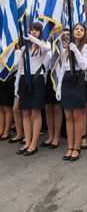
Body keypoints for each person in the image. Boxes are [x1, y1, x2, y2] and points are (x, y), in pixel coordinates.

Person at [56, 23, 87, 161]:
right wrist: (59, 87)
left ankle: (76, 147)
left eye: (82, 30)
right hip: (66, 80)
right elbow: (62, 69)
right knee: (68, 117)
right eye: (76, 29)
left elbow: (83, 65)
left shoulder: (86, 47)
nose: (78, 31)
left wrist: (75, 50)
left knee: (77, 116)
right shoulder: (67, 48)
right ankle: (70, 147)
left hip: (78, 79)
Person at [14, 22, 51, 156]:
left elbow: (47, 48)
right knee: (25, 113)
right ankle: (27, 141)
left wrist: (34, 39)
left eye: (36, 30)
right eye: (32, 30)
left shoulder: (43, 46)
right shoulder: (24, 49)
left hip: (37, 80)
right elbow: (20, 69)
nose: (33, 32)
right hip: (24, 80)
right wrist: (16, 86)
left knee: (35, 113)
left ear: (40, 32)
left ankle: (34, 144)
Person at [40, 49, 62, 149]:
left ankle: (56, 137)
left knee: (57, 109)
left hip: (58, 75)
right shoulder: (46, 45)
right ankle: (50, 136)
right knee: (48, 108)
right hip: (48, 77)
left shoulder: (60, 45)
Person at [0, 46, 21, 141]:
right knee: (1, 107)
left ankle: (7, 132)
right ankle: (1, 129)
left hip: (11, 79)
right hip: (1, 79)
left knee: (7, 107)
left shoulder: (17, 52)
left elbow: (12, 66)